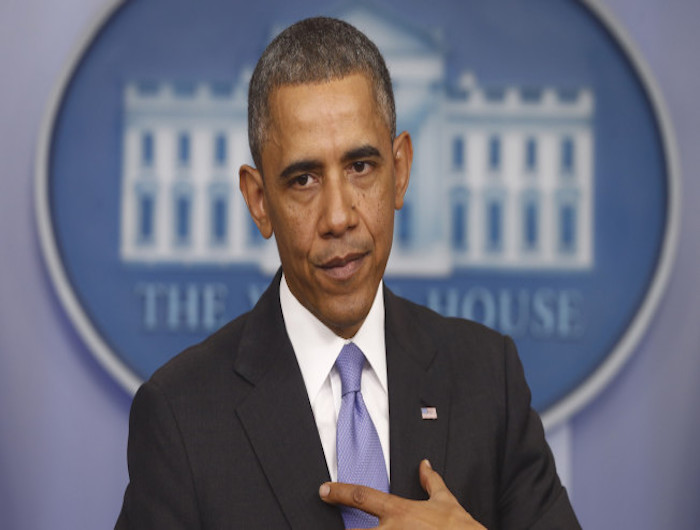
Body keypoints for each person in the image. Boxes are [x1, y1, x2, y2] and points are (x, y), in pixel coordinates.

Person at [116, 16, 580, 529]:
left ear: (399, 171)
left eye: (361, 167)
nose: (339, 216)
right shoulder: (182, 415)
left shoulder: (489, 379)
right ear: (259, 201)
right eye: (303, 179)